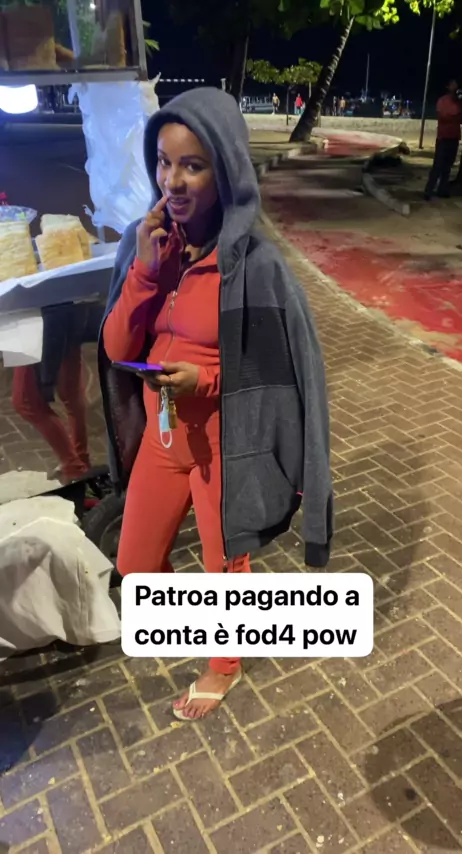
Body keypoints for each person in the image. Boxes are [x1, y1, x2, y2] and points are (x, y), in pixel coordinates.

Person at [99, 87, 332, 722]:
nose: (171, 181)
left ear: (224, 169)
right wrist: (146, 270)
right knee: (136, 564)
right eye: (163, 162)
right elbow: (117, 348)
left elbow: (278, 371)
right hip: (163, 438)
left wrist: (203, 381)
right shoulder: (147, 243)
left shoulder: (255, 264)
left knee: (225, 565)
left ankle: (224, 664)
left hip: (225, 445)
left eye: (192, 165)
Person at [12, 302, 103, 482]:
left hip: (29, 317)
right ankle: (80, 459)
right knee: (71, 392)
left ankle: (74, 467)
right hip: (68, 308)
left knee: (24, 401)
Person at [424, 79, 462, 200]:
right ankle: (429, 190)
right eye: (453, 85)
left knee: (448, 166)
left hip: (454, 137)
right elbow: (442, 117)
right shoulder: (442, 101)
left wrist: (457, 114)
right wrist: (456, 117)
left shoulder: (460, 103)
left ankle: (442, 189)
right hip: (443, 137)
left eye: (456, 85)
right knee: (438, 165)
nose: (455, 87)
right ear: (448, 87)